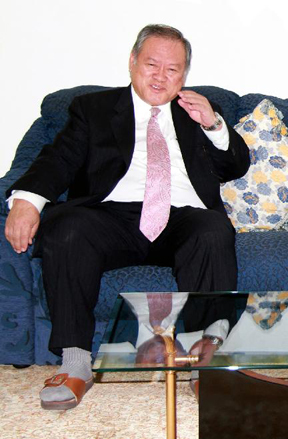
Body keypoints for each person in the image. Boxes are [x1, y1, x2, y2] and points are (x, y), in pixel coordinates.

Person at [4, 24, 250, 410]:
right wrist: (27, 200)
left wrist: (214, 124)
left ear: (184, 75)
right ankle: (75, 363)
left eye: (173, 69)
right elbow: (59, 159)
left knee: (213, 229)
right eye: (152, 64)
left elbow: (235, 165)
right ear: (133, 62)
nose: (161, 76)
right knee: (67, 228)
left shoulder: (197, 111)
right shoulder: (93, 109)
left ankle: (205, 361)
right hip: (110, 218)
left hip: (181, 218)